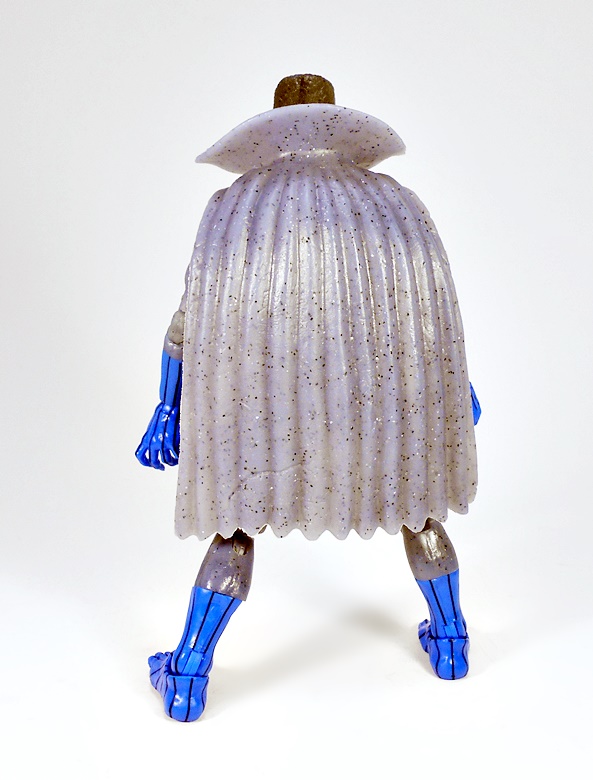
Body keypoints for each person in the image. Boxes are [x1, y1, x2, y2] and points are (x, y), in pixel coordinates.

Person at [136, 74, 480, 722]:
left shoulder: (235, 207)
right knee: (419, 511)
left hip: (261, 411)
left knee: (235, 528)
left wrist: (167, 407)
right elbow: (431, 312)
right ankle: (451, 643)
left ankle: (187, 675)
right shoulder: (395, 203)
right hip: (383, 407)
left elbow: (186, 328)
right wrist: (453, 387)